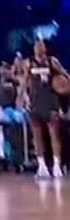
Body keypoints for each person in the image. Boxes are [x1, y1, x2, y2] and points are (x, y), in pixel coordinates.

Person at [18, 39, 70, 179]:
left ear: (45, 48)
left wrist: (64, 86)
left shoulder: (52, 61)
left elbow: (65, 75)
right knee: (37, 135)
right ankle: (42, 167)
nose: (39, 48)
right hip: (35, 102)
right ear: (34, 49)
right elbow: (24, 81)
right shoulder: (28, 63)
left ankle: (57, 165)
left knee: (54, 135)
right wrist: (21, 97)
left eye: (41, 45)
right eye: (36, 46)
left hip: (51, 102)